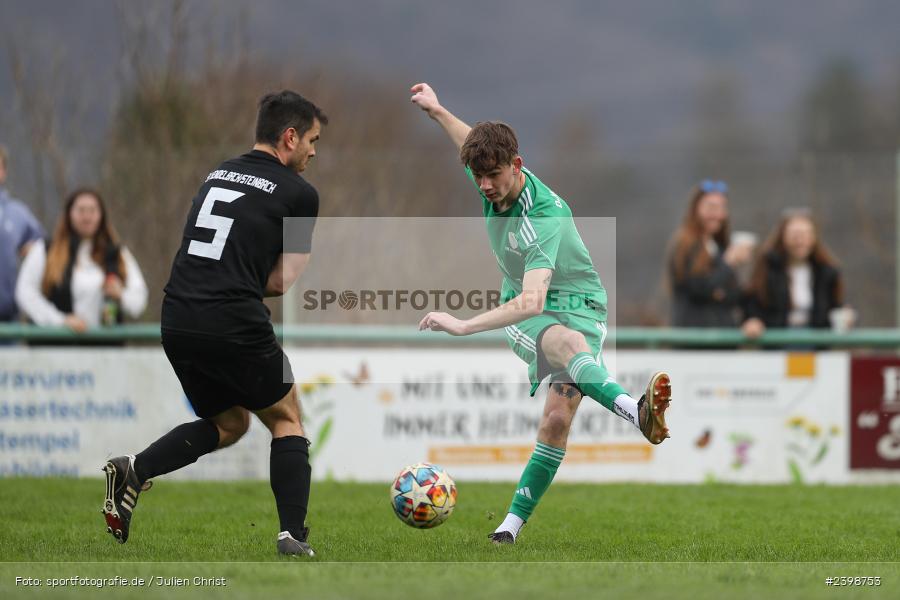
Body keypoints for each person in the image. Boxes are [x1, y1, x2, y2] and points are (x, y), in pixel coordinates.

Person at [410, 83, 672, 545]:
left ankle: (508, 528)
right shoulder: (493, 175)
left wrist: (464, 325)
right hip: (530, 309)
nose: (484, 185)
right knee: (566, 347)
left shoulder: (541, 219)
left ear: (517, 166)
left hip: (576, 303)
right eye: (478, 175)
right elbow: (472, 140)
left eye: (492, 175)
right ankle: (636, 412)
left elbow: (534, 301)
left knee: (555, 421)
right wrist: (437, 112)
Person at [100, 91, 326, 557]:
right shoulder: (302, 194)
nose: (314, 151)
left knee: (230, 422)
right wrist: (243, 278)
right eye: (312, 140)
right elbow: (282, 282)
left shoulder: (217, 172)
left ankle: (135, 469)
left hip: (177, 316)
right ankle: (292, 536)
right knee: (287, 420)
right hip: (233, 318)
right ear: (289, 137)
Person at [15, 188, 147, 333]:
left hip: (105, 351)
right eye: (81, 210)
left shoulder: (117, 254)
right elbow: (25, 292)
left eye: (92, 210)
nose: (87, 217)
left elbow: (139, 300)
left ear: (101, 216)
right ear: (69, 214)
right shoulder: (45, 250)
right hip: (57, 350)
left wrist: (121, 295)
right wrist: (60, 321)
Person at [741, 209, 846, 338]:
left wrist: (844, 317)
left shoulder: (826, 272)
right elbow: (753, 302)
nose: (800, 240)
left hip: (815, 343)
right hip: (777, 341)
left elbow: (835, 307)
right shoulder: (768, 267)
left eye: (805, 234)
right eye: (795, 235)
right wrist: (753, 320)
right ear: (783, 236)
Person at [667, 181, 752, 327]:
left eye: (722, 208)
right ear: (695, 209)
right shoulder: (684, 244)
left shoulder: (719, 247)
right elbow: (698, 287)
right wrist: (729, 263)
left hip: (724, 338)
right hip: (694, 338)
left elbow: (734, 295)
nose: (717, 214)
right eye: (711, 207)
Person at [0, 144, 45, 325]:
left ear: (3, 171)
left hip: (8, 320)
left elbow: (47, 248)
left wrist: (35, 251)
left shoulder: (17, 214)